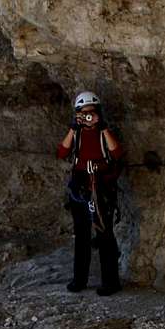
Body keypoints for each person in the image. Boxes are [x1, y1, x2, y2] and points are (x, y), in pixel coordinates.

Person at [57, 91, 124, 296]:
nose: (88, 117)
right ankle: (79, 279)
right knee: (82, 235)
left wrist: (101, 127)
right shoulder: (76, 133)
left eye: (91, 113)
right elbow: (61, 152)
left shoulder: (104, 132)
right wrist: (73, 127)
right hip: (81, 187)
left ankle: (110, 282)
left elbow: (117, 153)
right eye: (83, 113)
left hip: (100, 187)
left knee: (104, 234)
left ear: (98, 112)